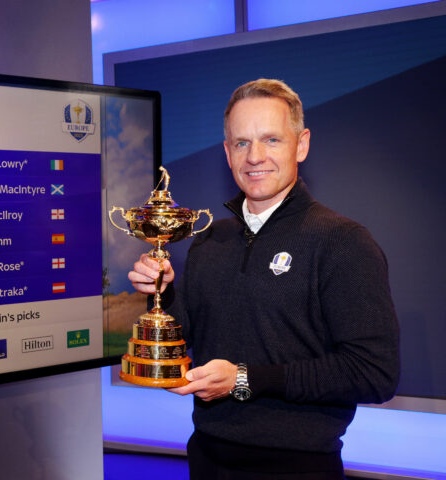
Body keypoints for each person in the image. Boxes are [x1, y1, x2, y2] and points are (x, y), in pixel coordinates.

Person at [128, 79, 400, 479]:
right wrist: (163, 297)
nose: (254, 156)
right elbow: (192, 343)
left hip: (297, 468)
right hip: (206, 458)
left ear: (301, 144)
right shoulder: (210, 240)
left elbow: (375, 373)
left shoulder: (343, 241)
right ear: (227, 152)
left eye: (271, 139)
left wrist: (244, 379)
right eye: (241, 143)